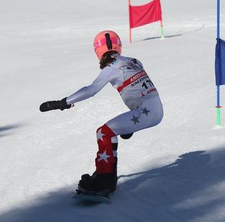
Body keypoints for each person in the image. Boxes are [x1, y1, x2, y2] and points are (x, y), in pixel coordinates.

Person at [39, 30, 164, 195]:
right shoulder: (134, 61)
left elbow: (91, 90)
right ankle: (107, 177)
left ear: (97, 51)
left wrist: (63, 102)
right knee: (111, 133)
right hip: (156, 111)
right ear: (118, 45)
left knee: (103, 133)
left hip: (144, 113)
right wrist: (130, 124)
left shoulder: (112, 68)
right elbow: (139, 89)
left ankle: (104, 180)